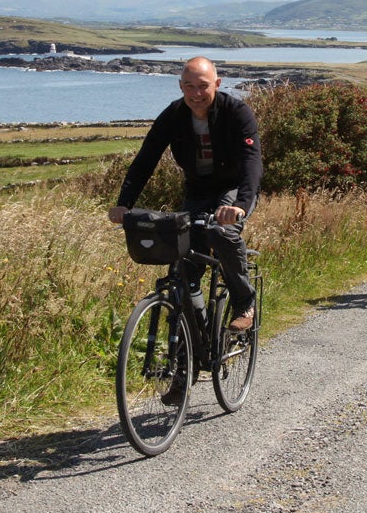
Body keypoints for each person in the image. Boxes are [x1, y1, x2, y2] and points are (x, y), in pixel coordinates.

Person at [108, 56, 262, 331]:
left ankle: (244, 302)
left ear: (217, 83)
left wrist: (240, 204)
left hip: (233, 188)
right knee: (184, 259)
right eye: (189, 86)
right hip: (197, 189)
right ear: (180, 87)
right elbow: (145, 160)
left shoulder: (237, 112)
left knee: (220, 232)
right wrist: (124, 204)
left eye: (203, 86)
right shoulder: (174, 115)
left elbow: (252, 161)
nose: (196, 94)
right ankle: (194, 341)